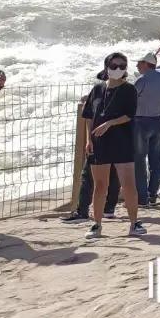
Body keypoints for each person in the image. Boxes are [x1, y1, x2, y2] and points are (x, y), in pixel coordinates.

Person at [84, 52, 144, 238]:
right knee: (100, 185)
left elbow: (130, 114)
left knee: (128, 185)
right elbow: (88, 116)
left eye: (122, 66)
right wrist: (88, 139)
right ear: (106, 67)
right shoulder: (97, 89)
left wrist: (110, 123)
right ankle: (97, 224)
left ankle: (134, 223)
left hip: (122, 141)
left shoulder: (129, 89)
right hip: (99, 142)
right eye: (114, 66)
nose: (118, 69)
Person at [63, 74, 119, 223]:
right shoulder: (124, 92)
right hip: (117, 140)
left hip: (101, 140)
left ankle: (83, 211)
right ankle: (109, 208)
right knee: (113, 175)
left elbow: (89, 115)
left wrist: (90, 139)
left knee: (88, 176)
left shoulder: (100, 93)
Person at [132, 52, 160, 208]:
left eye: (139, 63)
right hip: (159, 122)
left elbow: (131, 99)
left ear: (146, 64)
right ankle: (152, 194)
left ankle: (142, 198)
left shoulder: (141, 80)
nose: (137, 66)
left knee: (140, 160)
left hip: (141, 122)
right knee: (155, 161)